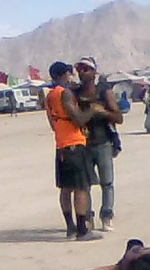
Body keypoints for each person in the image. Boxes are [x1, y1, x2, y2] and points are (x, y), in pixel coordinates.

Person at [45, 61, 105, 240]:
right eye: (70, 74)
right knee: (81, 188)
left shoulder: (49, 96)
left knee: (65, 189)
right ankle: (82, 229)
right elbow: (78, 119)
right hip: (74, 144)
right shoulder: (65, 94)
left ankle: (70, 227)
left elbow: (52, 123)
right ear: (64, 74)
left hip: (61, 145)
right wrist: (92, 110)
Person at [75, 56, 123, 232]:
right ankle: (88, 216)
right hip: (83, 144)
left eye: (85, 69)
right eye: (79, 69)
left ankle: (107, 215)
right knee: (84, 185)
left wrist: (101, 111)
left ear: (94, 72)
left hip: (103, 142)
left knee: (107, 182)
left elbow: (119, 117)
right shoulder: (75, 93)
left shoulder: (104, 92)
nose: (81, 72)